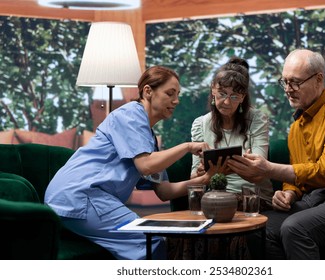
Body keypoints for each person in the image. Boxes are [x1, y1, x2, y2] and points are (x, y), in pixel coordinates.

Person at [44, 65, 214, 260]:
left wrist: (206, 178)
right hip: (80, 196)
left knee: (154, 240)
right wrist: (187, 146)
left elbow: (165, 192)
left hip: (86, 198)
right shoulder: (129, 115)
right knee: (151, 241)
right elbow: (146, 165)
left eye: (177, 95)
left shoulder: (148, 138)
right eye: (170, 93)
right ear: (148, 91)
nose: (176, 101)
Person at [227, 49, 325, 259]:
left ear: (318, 79)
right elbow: (300, 175)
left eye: (295, 82)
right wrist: (289, 193)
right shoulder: (296, 127)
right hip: (318, 198)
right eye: (284, 82)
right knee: (257, 228)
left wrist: (268, 168)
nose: (288, 90)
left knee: (295, 227)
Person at [191, 56, 274, 210]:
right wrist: (203, 174)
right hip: (216, 196)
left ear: (242, 98)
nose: (227, 102)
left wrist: (226, 169)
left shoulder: (257, 119)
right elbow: (194, 178)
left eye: (234, 96)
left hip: (253, 196)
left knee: (222, 207)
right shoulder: (200, 124)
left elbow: (259, 172)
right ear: (213, 89)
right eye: (222, 94)